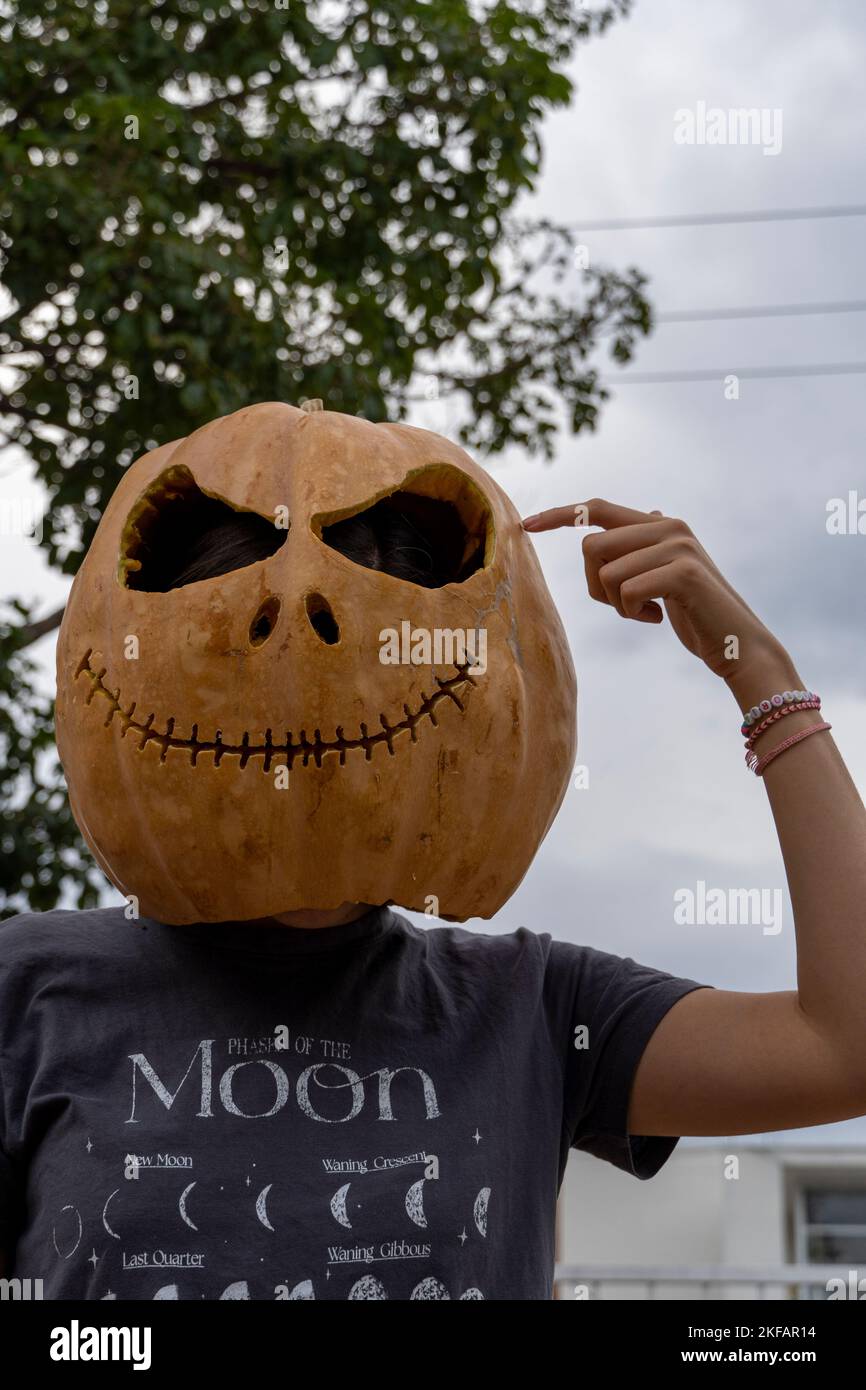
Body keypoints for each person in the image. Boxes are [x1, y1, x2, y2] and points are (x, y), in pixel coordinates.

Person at [1, 493, 864, 1301]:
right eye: (249, 653)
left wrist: (763, 675)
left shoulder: (532, 1008)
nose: (308, 701)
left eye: (369, 662)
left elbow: (844, 1049)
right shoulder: (30, 986)